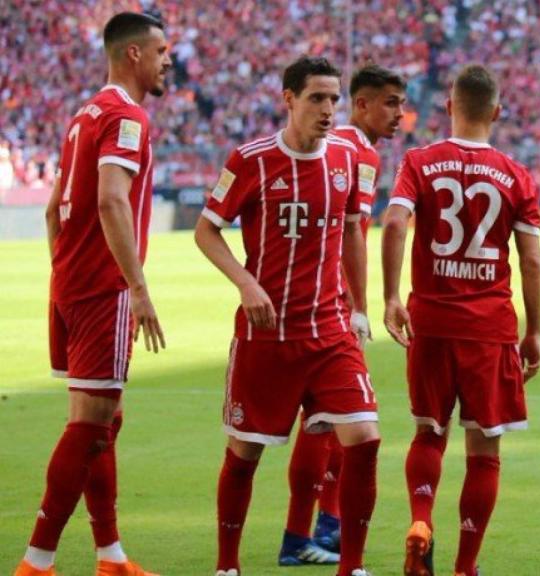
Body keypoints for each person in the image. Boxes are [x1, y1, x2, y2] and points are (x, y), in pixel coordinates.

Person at [194, 55, 380, 576]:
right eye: (316, 98)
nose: (327, 109)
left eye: (333, 99)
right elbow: (207, 229)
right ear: (289, 99)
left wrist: (360, 305)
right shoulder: (251, 159)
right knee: (245, 452)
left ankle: (352, 566)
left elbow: (350, 231)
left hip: (329, 331)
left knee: (365, 439)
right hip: (267, 335)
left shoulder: (345, 159)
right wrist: (246, 281)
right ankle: (227, 566)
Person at [14, 12, 171, 576]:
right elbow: (111, 200)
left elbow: (54, 208)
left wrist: (64, 271)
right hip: (104, 287)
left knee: (104, 420)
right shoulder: (128, 118)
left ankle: (110, 555)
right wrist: (137, 287)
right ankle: (37, 561)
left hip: (72, 284)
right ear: (133, 55)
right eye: (160, 50)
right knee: (89, 425)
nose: (167, 60)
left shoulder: (84, 115)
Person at [381, 64, 540, 576]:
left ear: (449, 107)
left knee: (429, 432)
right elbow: (533, 260)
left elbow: (392, 221)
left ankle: (421, 519)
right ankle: (465, 566)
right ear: (496, 112)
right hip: (489, 328)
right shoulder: (517, 174)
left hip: (430, 319)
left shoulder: (419, 160)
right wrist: (535, 331)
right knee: (484, 449)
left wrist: (390, 296)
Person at [279, 63, 407, 567]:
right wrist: (359, 307)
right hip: (326, 307)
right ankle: (305, 533)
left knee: (333, 422)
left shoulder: (344, 148)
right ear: (361, 104)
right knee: (329, 421)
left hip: (313, 301)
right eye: (391, 102)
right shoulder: (358, 152)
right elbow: (353, 232)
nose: (400, 113)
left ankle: (324, 526)